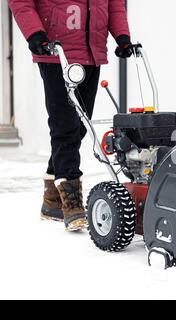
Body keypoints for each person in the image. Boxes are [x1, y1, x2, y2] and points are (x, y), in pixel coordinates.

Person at [8, 0, 133, 231]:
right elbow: (21, 3)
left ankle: (52, 201)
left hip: (92, 53)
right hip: (56, 53)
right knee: (65, 126)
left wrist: (122, 36)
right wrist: (34, 33)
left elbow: (114, 5)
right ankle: (72, 201)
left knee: (79, 126)